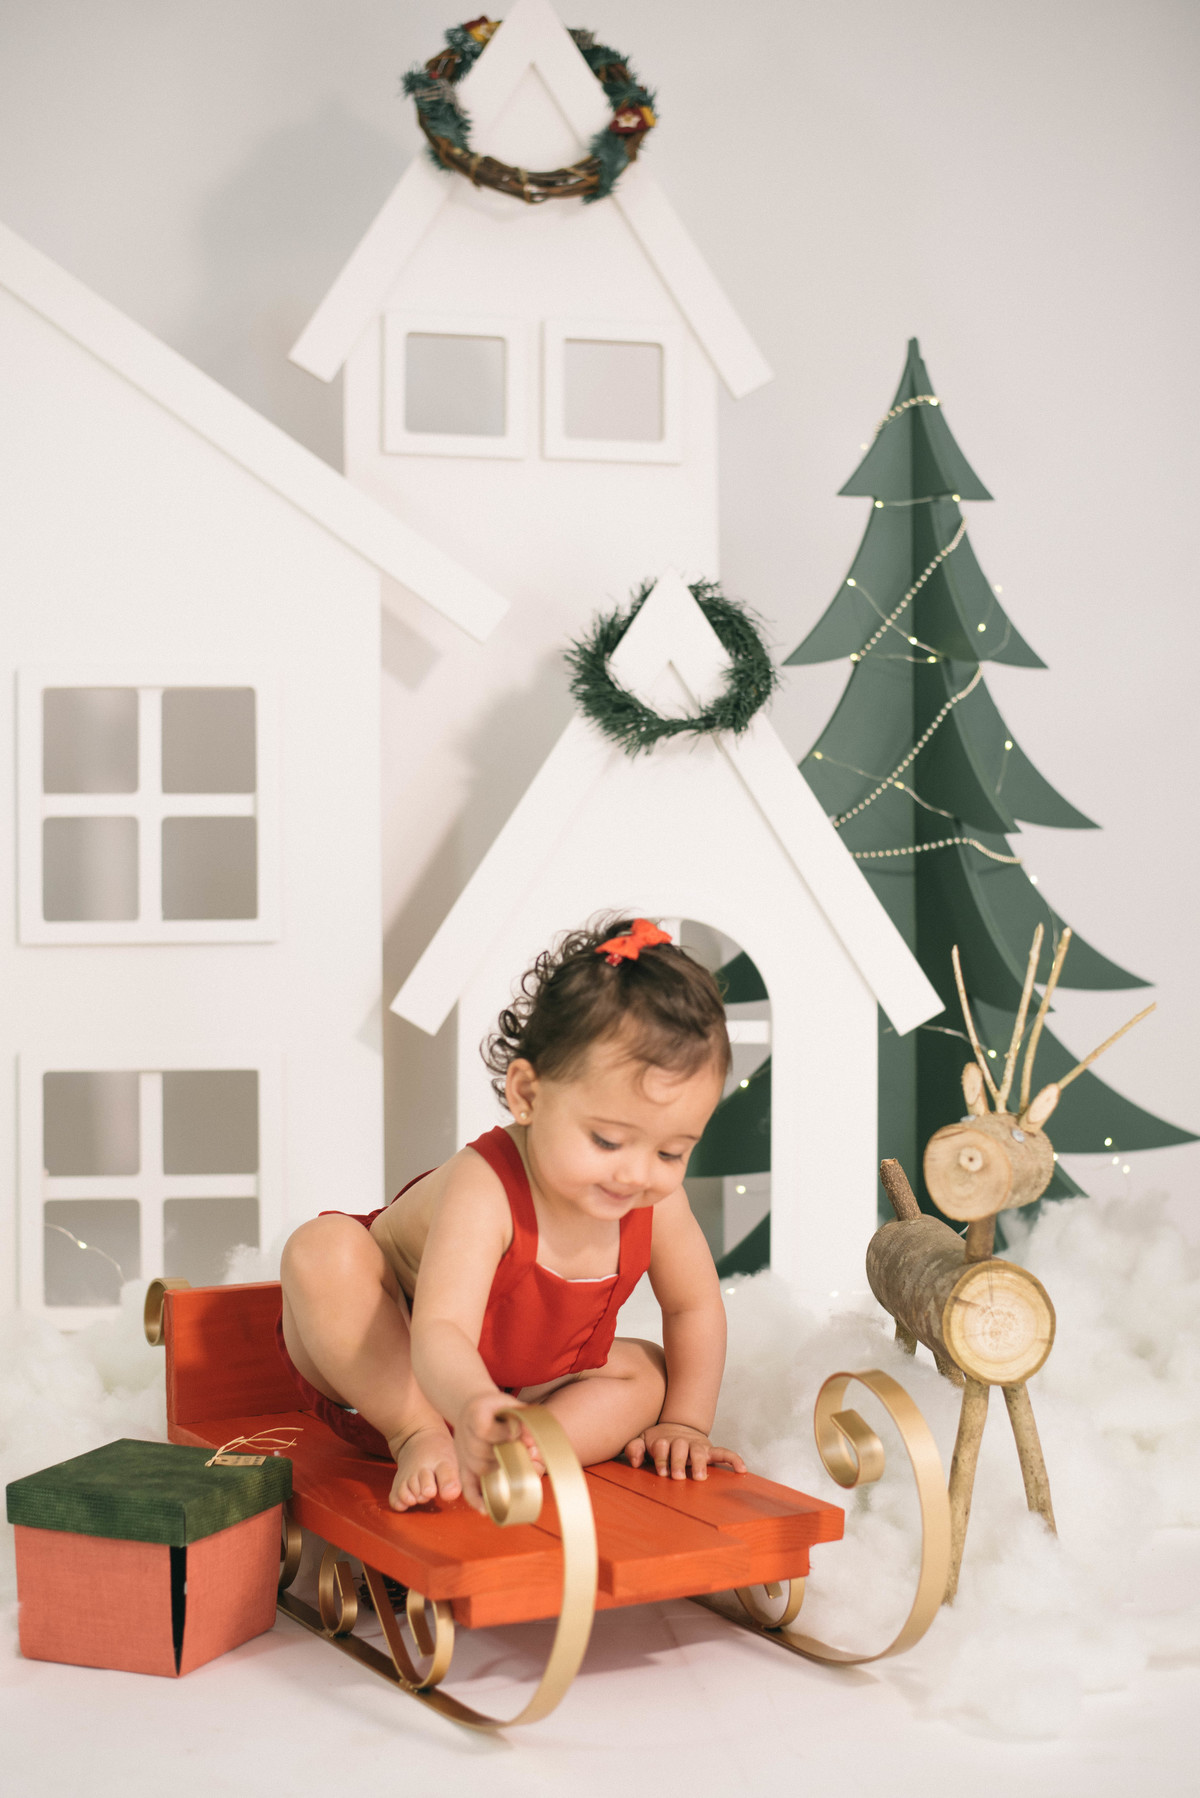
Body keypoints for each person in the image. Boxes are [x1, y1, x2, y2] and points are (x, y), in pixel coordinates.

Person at [278, 916, 747, 1514]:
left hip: (510, 1390)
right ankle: (418, 1436)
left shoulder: (655, 1202)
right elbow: (442, 1331)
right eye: (607, 1141)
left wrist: (685, 1421)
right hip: (383, 1369)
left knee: (650, 1374)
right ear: (527, 1095)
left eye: (671, 1152)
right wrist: (468, 1404)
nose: (635, 1174)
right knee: (323, 1249)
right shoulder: (486, 1186)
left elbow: (692, 1307)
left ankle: (520, 1451)